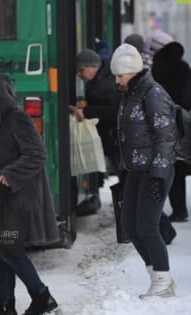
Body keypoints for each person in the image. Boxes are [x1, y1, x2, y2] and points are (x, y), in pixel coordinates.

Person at [0, 73, 60, 315]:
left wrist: (11, 174)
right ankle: (5, 305)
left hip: (19, 198)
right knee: (1, 249)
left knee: (9, 250)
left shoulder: (17, 119)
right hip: (2, 198)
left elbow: (37, 155)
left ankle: (42, 297)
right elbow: (3, 160)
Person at [110, 43, 177, 298]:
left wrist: (159, 176)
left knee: (147, 226)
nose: (117, 80)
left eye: (120, 75)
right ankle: (158, 278)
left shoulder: (153, 93)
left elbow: (165, 137)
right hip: (135, 169)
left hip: (155, 169)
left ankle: (163, 279)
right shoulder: (130, 93)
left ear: (132, 72)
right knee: (130, 225)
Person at [152, 41, 191, 222]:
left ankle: (156, 210)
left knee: (162, 165)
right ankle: (180, 209)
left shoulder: (157, 68)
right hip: (181, 122)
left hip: (161, 120)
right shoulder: (184, 68)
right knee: (179, 165)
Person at [70, 49, 121, 175]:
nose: (79, 74)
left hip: (113, 136)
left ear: (94, 67)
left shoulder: (107, 83)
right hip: (110, 136)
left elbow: (115, 110)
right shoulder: (101, 79)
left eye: (82, 70)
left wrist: (87, 112)